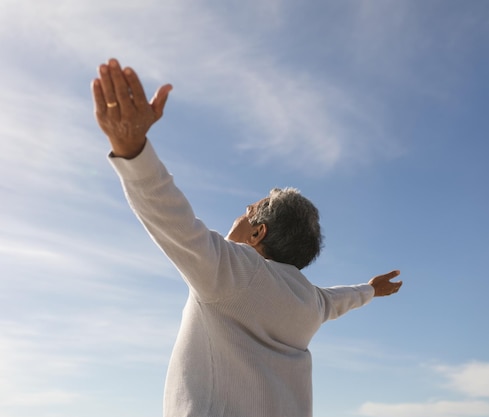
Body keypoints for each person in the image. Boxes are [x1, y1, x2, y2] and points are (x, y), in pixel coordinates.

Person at [91, 58, 403, 417]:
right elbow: (339, 300)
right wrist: (371, 290)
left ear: (258, 233)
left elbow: (171, 218)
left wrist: (133, 152)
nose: (241, 211)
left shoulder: (234, 270)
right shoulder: (309, 301)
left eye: (251, 210)